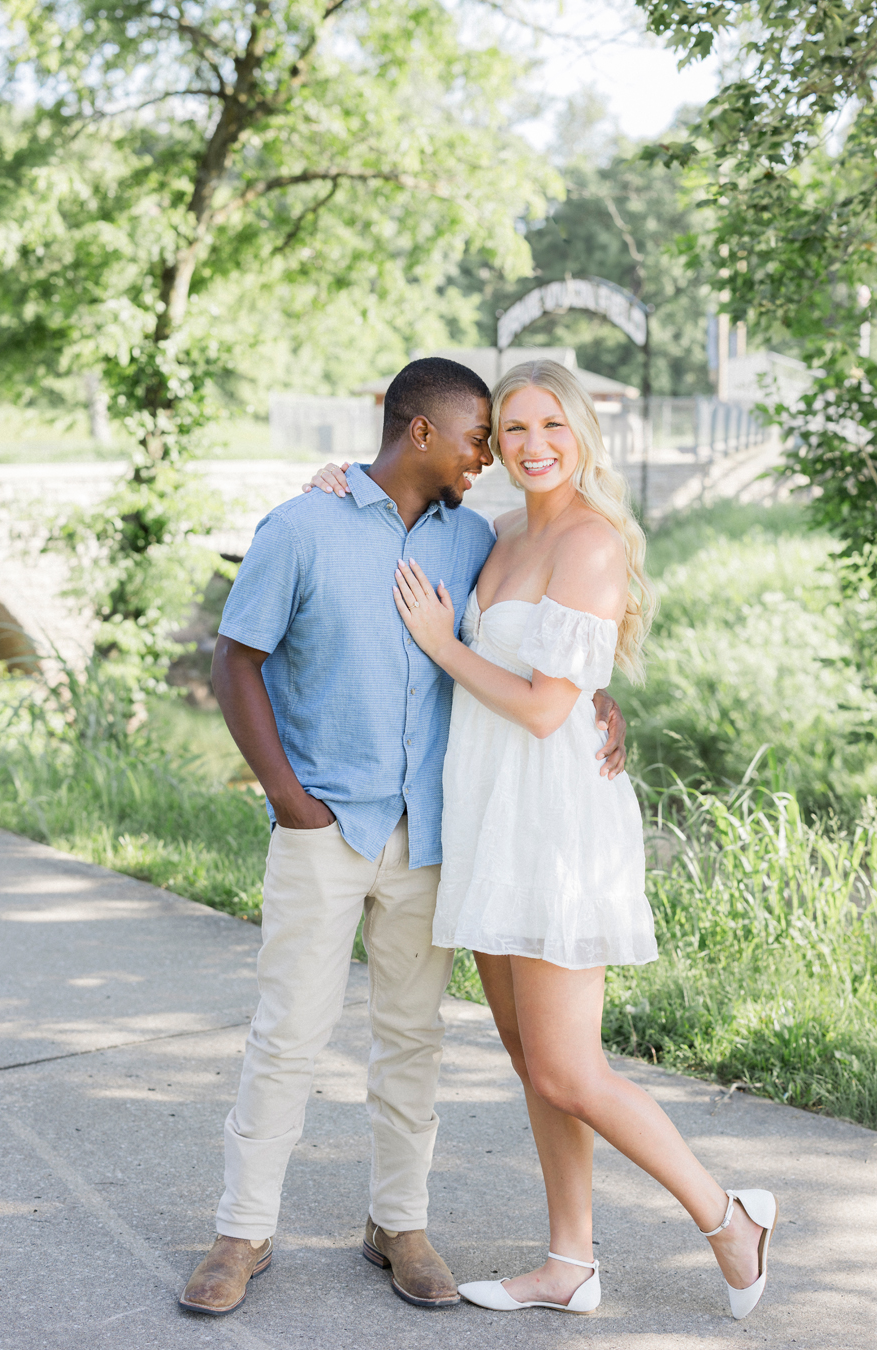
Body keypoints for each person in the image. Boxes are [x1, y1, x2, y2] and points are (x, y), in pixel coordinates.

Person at [177, 357, 628, 1318]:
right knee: (288, 1034)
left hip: (434, 836)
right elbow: (235, 660)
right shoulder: (305, 524)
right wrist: (291, 799)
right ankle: (241, 1233)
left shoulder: (475, 538)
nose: (493, 458)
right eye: (481, 438)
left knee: (412, 1040)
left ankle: (400, 1225)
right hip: (326, 824)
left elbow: (542, 636)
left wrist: (599, 698)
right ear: (420, 433)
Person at [384, 358, 778, 1321]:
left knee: (570, 1067)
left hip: (553, 823)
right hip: (485, 810)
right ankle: (570, 1264)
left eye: (550, 426)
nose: (532, 447)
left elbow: (543, 705)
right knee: (530, 1059)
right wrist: (330, 486)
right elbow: (399, 525)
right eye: (511, 430)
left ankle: (727, 1216)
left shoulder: (592, 542)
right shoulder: (501, 530)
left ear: (583, 433)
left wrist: (447, 646)